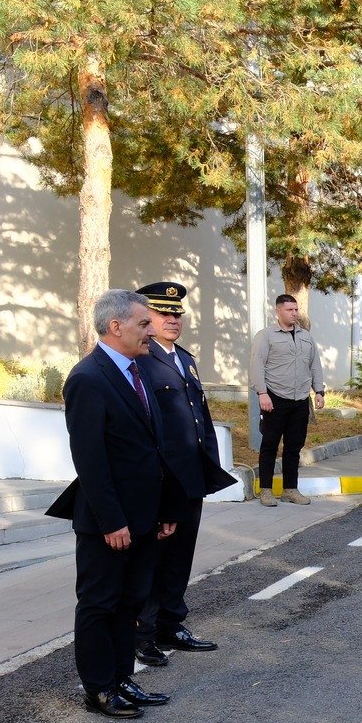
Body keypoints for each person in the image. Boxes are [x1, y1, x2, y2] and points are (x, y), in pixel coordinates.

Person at [48, 290, 182, 720]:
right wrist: (112, 520)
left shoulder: (135, 371)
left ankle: (123, 677)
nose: (151, 330)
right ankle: (99, 688)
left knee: (129, 602)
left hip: (143, 515)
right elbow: (90, 459)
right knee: (100, 604)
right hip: (110, 521)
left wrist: (165, 509)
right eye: (144, 324)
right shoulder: (88, 377)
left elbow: (152, 448)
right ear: (115, 327)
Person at [134, 280, 236, 664]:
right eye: (163, 313)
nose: (172, 319)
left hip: (190, 475)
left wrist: (209, 464)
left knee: (180, 556)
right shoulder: (141, 360)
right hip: (162, 477)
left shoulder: (185, 358)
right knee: (154, 559)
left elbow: (200, 417)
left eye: (177, 313)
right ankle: (143, 633)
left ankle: (171, 624)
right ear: (147, 317)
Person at [251, 293, 325, 505]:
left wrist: (318, 391)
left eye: (296, 310)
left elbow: (314, 365)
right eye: (289, 310)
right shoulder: (266, 336)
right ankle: (265, 490)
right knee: (270, 445)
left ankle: (290, 489)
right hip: (275, 398)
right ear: (278, 311)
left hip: (300, 398)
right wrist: (262, 393)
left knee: (294, 447)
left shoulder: (305, 336)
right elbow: (257, 365)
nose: (294, 314)